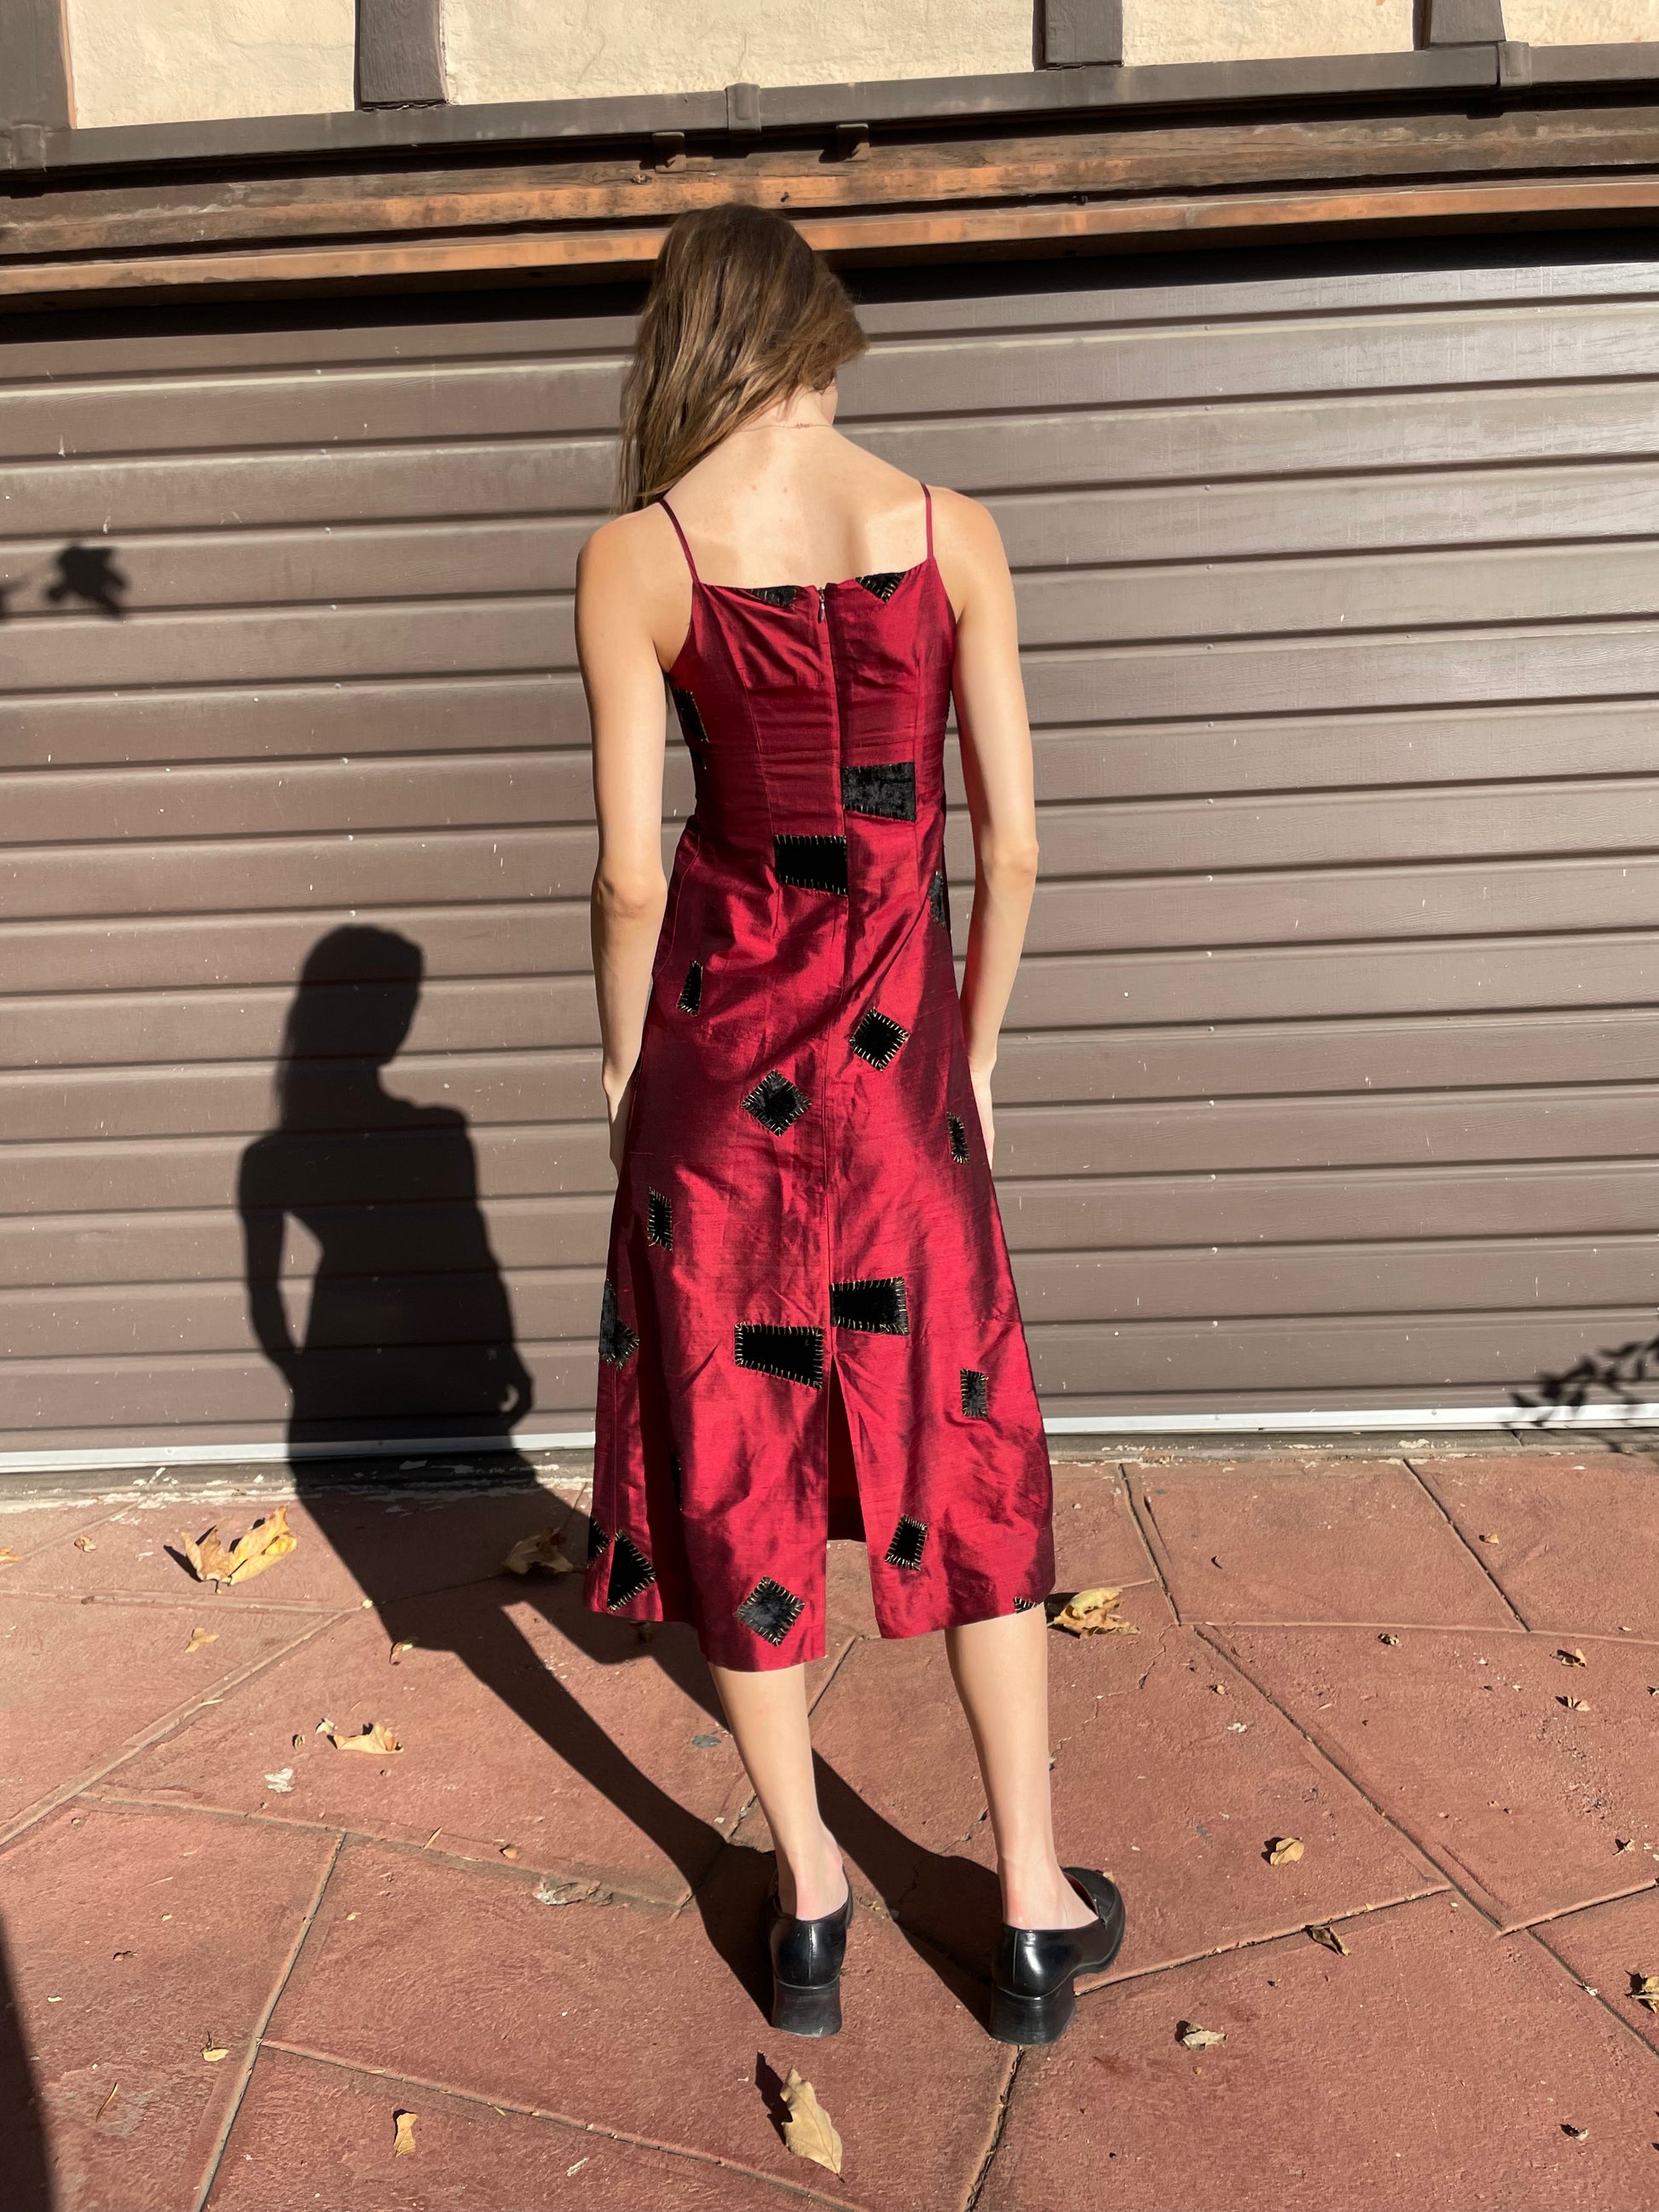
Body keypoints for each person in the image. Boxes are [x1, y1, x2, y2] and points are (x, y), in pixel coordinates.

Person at [574, 204, 1124, 2046]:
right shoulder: (949, 531)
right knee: (961, 1450)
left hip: (719, 1093)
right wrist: (974, 1054)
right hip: (900, 1081)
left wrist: (616, 1064)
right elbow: (1020, 839)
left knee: (734, 1459)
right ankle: (1031, 1902)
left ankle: (804, 1887)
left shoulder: (635, 559)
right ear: (815, 331)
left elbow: (630, 879)